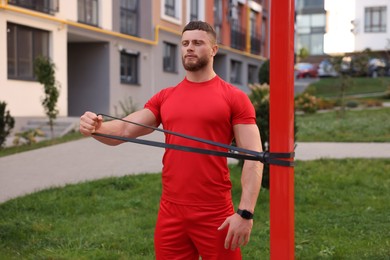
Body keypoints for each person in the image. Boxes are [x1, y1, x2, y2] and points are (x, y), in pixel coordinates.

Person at [79, 21, 263, 260]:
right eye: (185, 43)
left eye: (198, 43)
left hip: (214, 211)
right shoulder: (166, 97)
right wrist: (95, 127)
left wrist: (245, 213)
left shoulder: (234, 98)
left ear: (214, 49)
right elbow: (125, 129)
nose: (189, 48)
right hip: (171, 211)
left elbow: (254, 157)